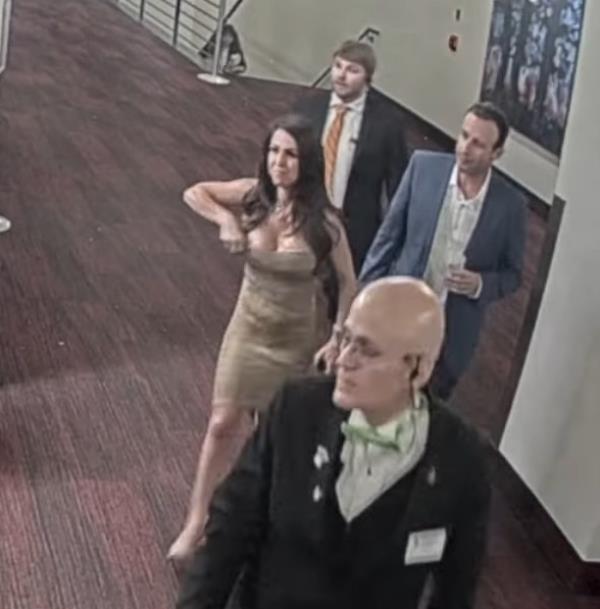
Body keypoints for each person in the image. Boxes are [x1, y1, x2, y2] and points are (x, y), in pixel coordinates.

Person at [177, 277, 491, 609]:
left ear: (418, 369)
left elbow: (456, 590)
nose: (343, 360)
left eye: (367, 349)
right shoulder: (295, 410)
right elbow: (230, 530)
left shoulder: (463, 457)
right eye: (345, 339)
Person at [167, 114, 356, 563]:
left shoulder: (325, 224)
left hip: (295, 340)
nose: (279, 162)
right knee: (219, 424)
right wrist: (225, 221)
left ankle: (259, 523)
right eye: (273, 151)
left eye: (289, 154)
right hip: (248, 329)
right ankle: (196, 521)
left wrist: (337, 337)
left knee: (270, 437)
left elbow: (350, 283)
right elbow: (194, 191)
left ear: (306, 161)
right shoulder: (253, 196)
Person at [361, 101, 526, 400]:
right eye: (464, 136)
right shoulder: (423, 167)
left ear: (496, 154)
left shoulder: (511, 206)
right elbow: (388, 238)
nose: (465, 148)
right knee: (371, 392)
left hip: (451, 335)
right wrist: (365, 298)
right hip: (399, 311)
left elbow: (513, 274)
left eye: (478, 144)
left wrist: (481, 284)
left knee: (422, 410)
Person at [295, 40, 409, 271]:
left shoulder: (387, 123)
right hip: (307, 218)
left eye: (352, 70)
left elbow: (398, 183)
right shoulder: (306, 109)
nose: (341, 76)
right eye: (338, 66)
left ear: (368, 78)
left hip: (355, 228)